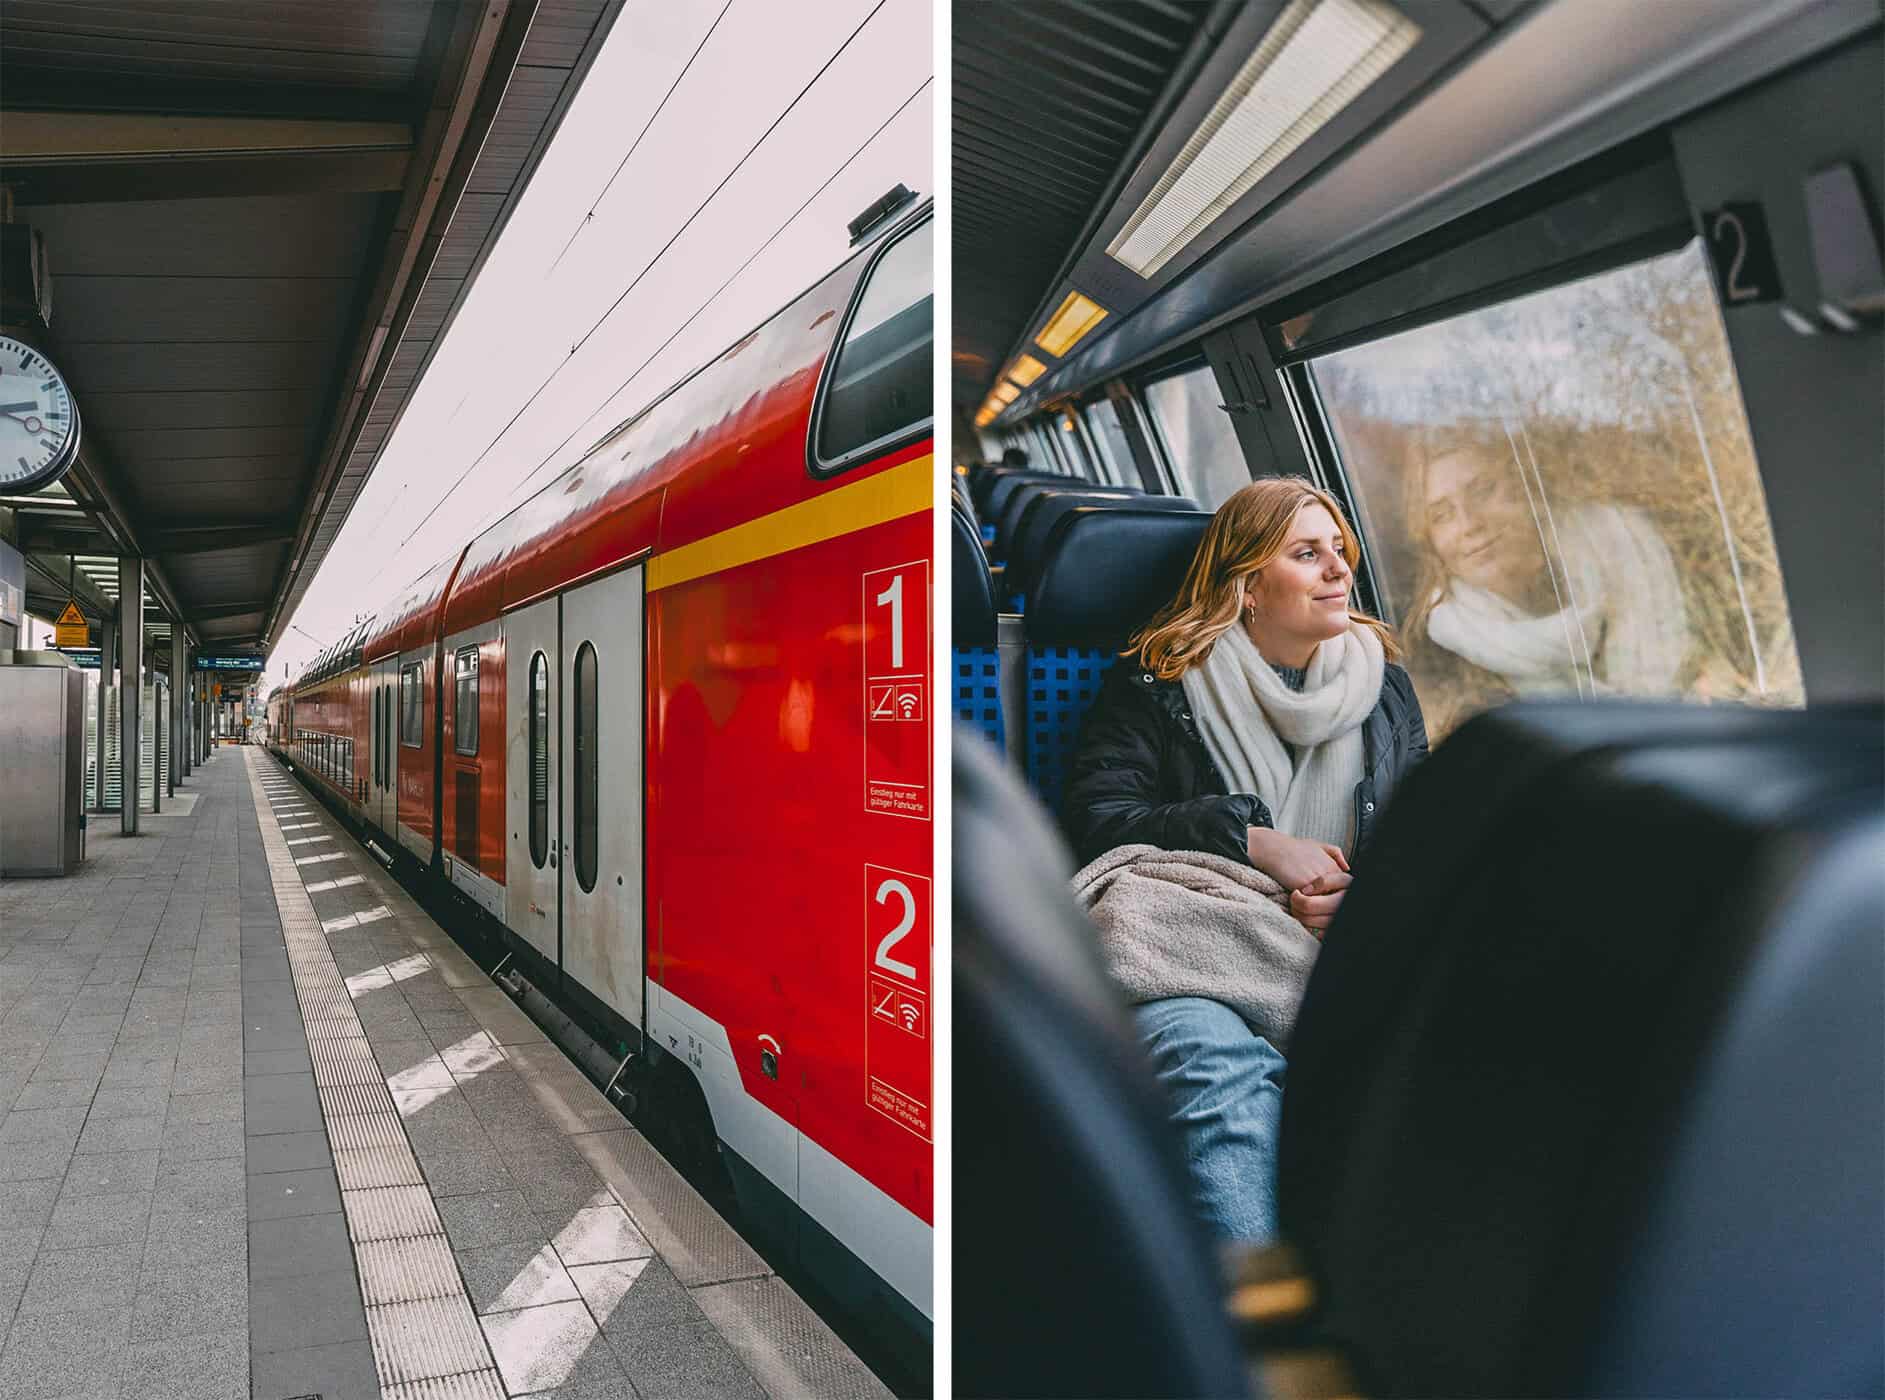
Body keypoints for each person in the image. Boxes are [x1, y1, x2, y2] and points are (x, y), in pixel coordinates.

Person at [1062, 476, 1428, 1243]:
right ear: (1247, 584)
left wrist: (1362, 899)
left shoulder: (1385, 691)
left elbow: (1413, 837)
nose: (1338, 570)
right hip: (1191, 944)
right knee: (1207, 1059)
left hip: (1336, 944)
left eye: (1339, 550)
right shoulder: (1157, 684)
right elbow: (1099, 823)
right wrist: (1253, 841)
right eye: (1306, 553)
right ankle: (1262, 1324)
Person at [1401, 424, 1692, 735]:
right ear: (1428, 540)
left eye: (1483, 491)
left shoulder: (1624, 544)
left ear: (1525, 485)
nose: (1470, 524)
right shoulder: (1435, 664)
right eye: (1442, 515)